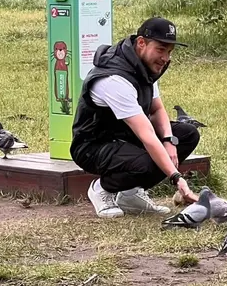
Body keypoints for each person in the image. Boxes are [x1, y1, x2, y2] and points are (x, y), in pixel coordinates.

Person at [70, 17, 201, 218]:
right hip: (93, 146)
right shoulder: (114, 79)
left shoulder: (144, 66)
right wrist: (176, 178)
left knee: (187, 134)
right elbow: (146, 134)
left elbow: (157, 110)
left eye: (169, 52)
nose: (165, 58)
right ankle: (102, 189)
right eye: (161, 49)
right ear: (141, 43)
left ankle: (130, 195)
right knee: (148, 164)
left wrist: (169, 141)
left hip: (124, 135)